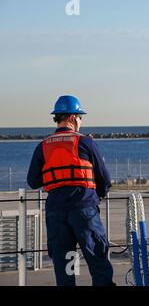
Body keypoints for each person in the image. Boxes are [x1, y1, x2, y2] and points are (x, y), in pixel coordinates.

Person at [27, 95, 115, 286]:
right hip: (84, 210)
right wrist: (98, 193)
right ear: (73, 117)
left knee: (65, 265)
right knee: (97, 260)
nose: (81, 121)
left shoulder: (43, 146)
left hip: (56, 213)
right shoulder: (85, 142)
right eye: (81, 117)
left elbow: (32, 181)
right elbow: (105, 178)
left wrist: (56, 176)